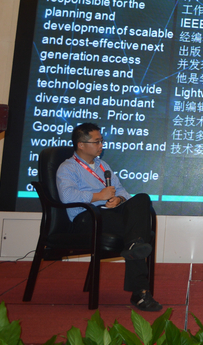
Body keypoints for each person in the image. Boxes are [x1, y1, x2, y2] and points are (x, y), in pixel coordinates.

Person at [56, 122, 161, 311]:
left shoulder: (103, 165)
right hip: (88, 217)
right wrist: (99, 196)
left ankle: (134, 247)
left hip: (110, 214)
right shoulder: (68, 168)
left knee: (142, 199)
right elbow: (67, 196)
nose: (101, 145)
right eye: (97, 142)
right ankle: (140, 292)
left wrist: (119, 199)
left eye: (101, 141)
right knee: (137, 234)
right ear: (81, 145)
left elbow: (122, 191)